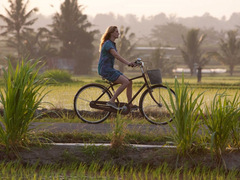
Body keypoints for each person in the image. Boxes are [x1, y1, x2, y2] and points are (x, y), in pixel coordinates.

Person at [98, 26, 137, 110]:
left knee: (129, 82)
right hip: (105, 69)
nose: (118, 33)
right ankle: (111, 101)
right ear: (111, 33)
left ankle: (129, 104)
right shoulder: (108, 43)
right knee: (126, 82)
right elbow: (116, 55)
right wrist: (128, 63)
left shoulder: (112, 44)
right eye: (116, 31)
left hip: (110, 69)